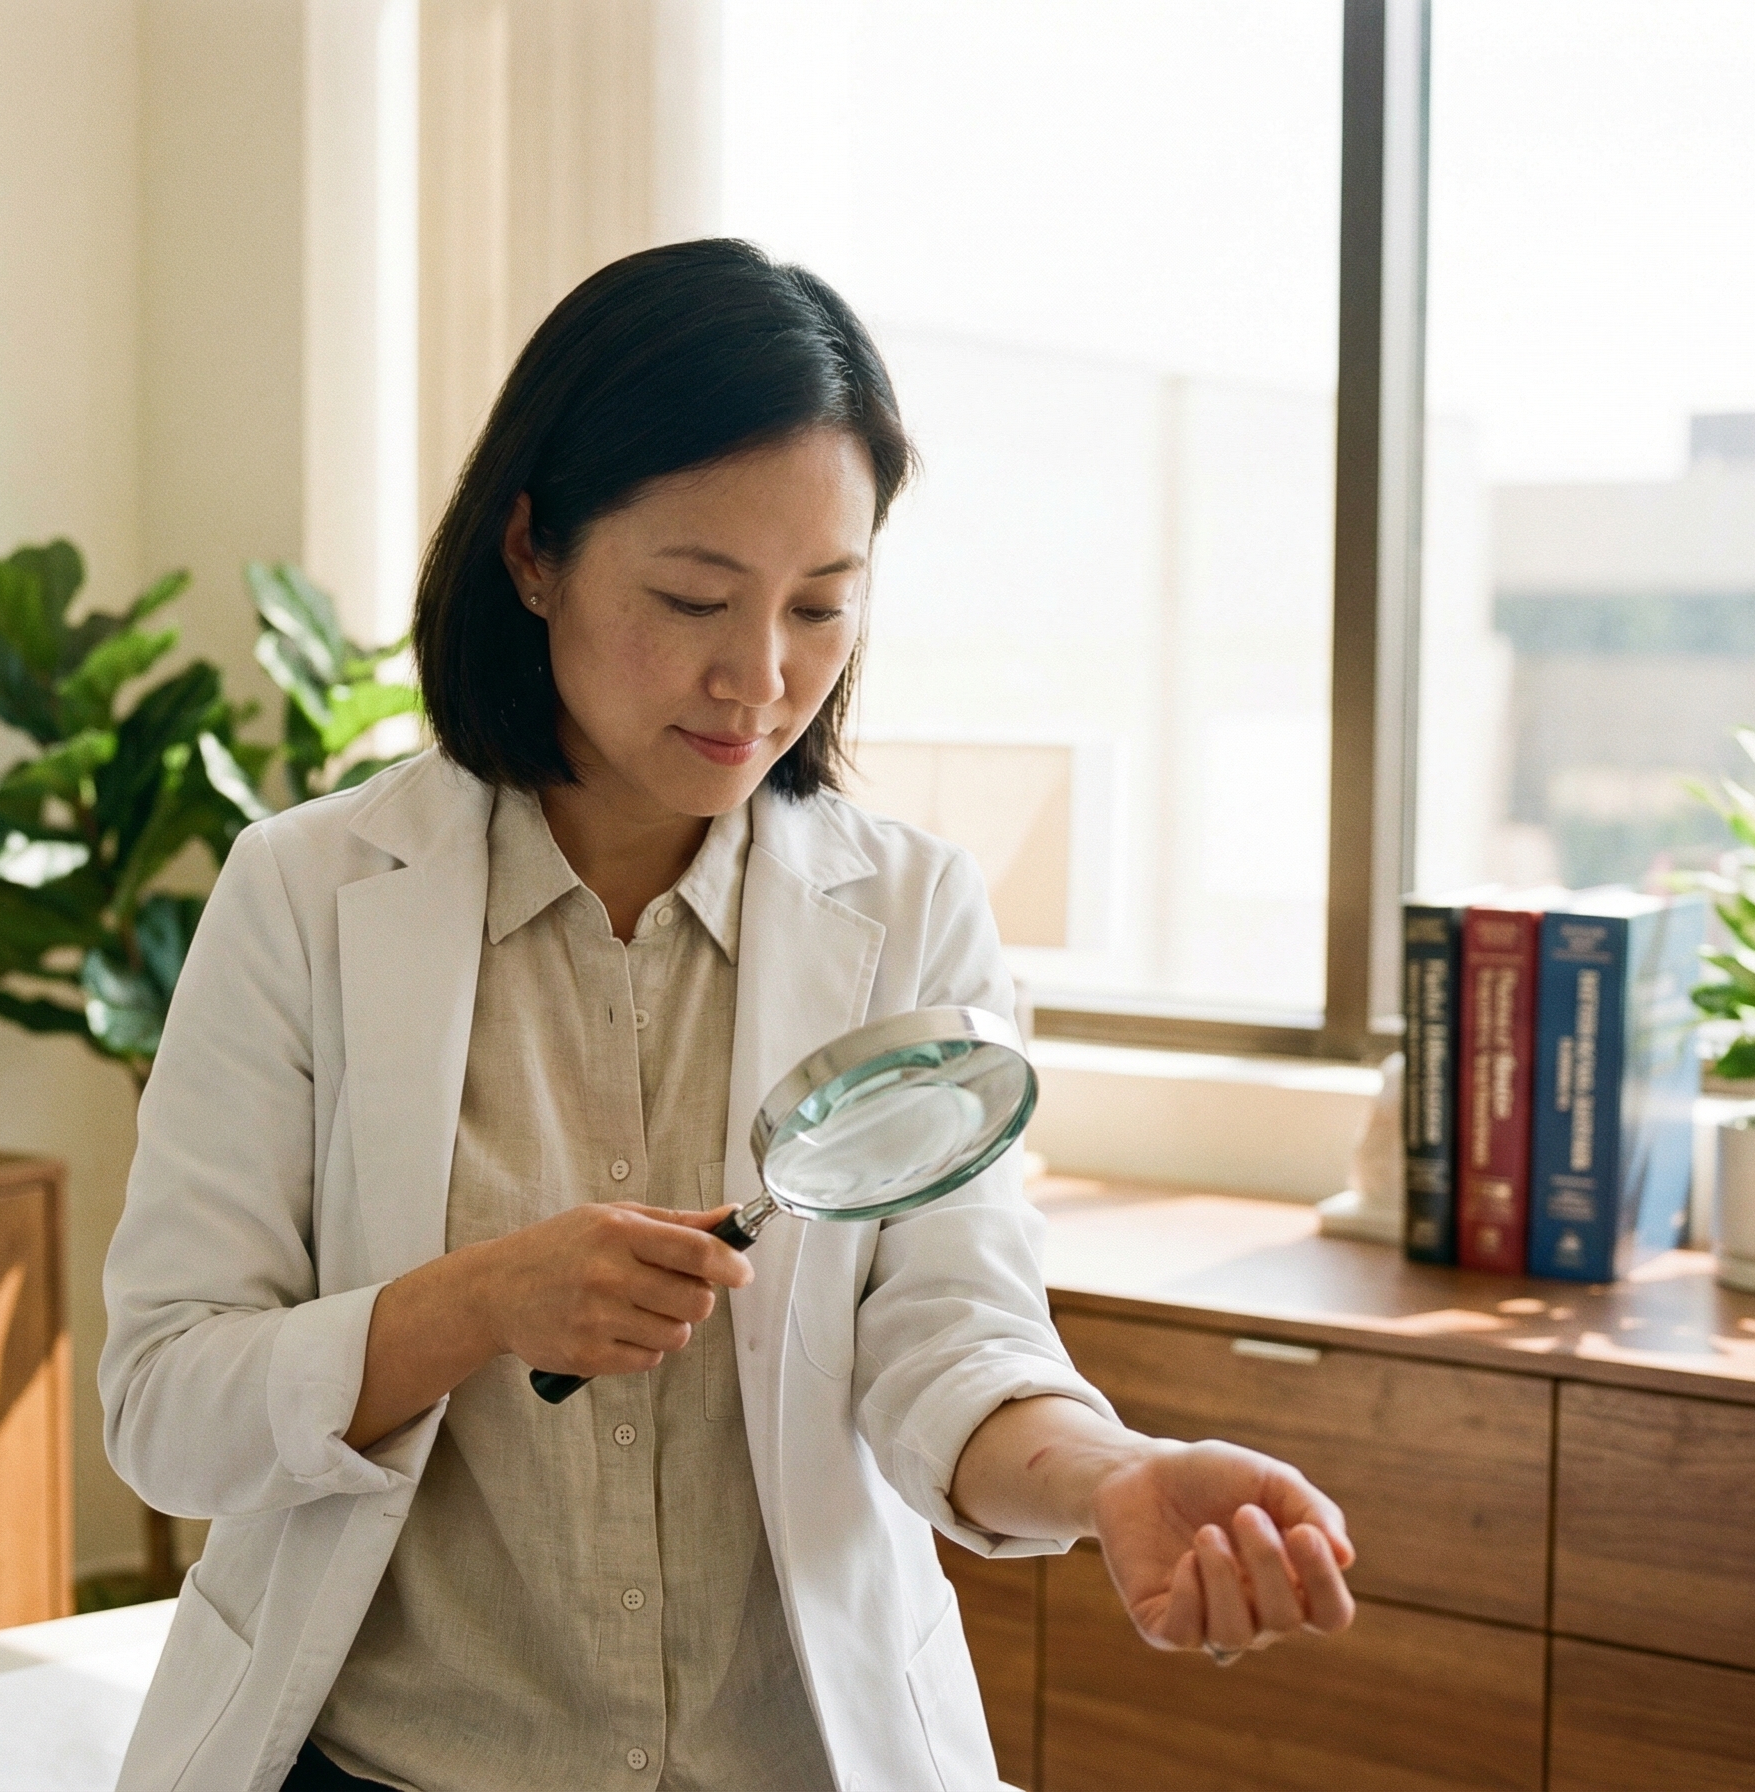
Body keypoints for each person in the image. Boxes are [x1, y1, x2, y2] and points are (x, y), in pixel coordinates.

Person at [99, 239, 1356, 1792]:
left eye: (822, 608)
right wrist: (477, 1306)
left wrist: (1116, 1481)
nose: (759, 679)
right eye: (692, 596)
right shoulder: (305, 896)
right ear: (533, 554)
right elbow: (164, 1406)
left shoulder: (908, 913)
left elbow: (944, 1338)